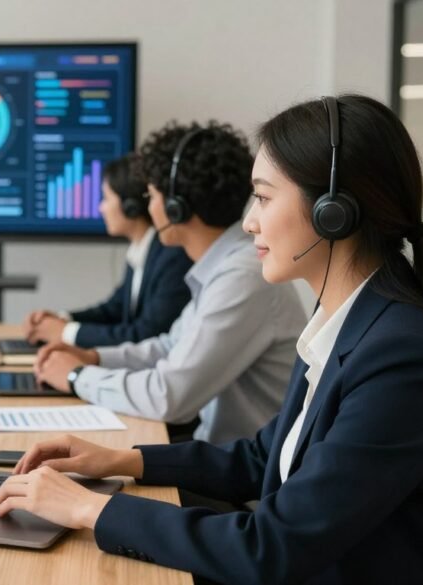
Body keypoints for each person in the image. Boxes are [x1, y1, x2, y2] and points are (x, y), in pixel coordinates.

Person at [0, 95, 423, 584]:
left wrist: (90, 509)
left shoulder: (402, 356)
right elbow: (263, 456)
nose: (249, 221)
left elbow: (271, 548)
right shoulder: (345, 320)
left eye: (264, 197)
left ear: (333, 211)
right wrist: (120, 460)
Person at [34, 121, 306, 443]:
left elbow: (168, 396)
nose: (149, 208)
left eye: (151, 196)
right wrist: (95, 358)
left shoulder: (243, 277)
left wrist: (76, 376)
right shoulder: (223, 268)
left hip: (239, 470)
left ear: (177, 208)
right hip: (215, 454)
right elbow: (169, 347)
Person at [23, 154, 192, 348]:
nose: (101, 208)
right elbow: (114, 310)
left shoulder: (172, 258)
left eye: (106, 198)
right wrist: (62, 319)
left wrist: (65, 332)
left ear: (130, 206)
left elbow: (146, 335)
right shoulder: (141, 250)